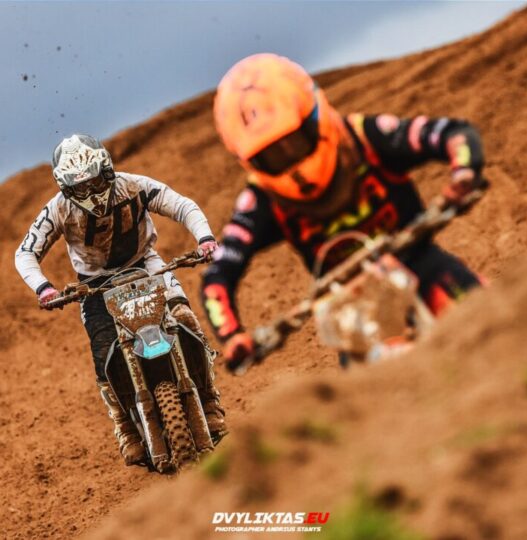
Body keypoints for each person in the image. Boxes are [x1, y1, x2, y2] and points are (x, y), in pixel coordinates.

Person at [201, 53, 485, 372]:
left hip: (422, 263)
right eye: (272, 156)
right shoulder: (260, 200)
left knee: (494, 316)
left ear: (313, 116)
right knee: (362, 392)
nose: (289, 158)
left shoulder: (362, 137)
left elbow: (450, 132)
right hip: (351, 306)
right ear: (250, 161)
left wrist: (463, 172)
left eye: (293, 142)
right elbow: (218, 275)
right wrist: (232, 336)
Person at [15, 134, 226, 465]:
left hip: (147, 264)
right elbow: (25, 252)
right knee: (102, 354)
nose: (90, 191)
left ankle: (210, 400)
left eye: (95, 181)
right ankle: (125, 427)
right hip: (94, 284)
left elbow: (181, 204)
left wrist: (205, 239)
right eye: (80, 187)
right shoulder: (57, 209)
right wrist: (44, 288)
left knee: (184, 318)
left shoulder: (134, 186)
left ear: (107, 170)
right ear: (66, 188)